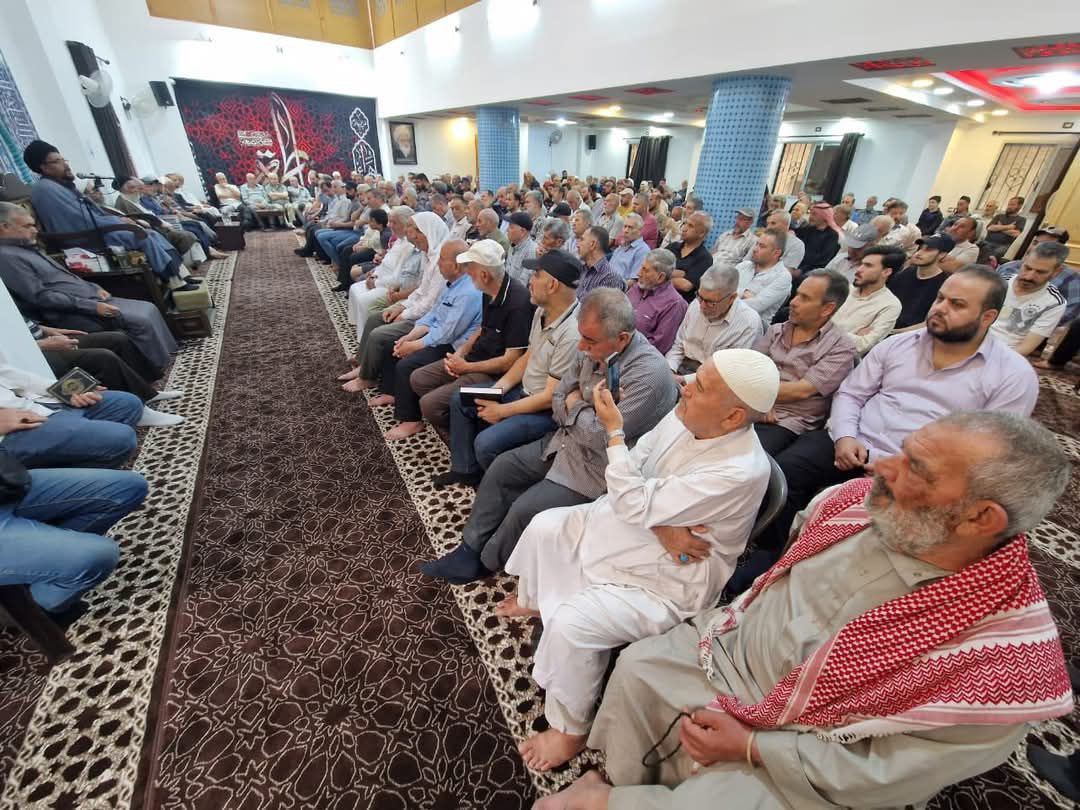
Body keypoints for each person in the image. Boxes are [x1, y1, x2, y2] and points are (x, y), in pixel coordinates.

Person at [548, 411, 1071, 810]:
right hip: (729, 652)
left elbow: (888, 772)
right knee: (638, 666)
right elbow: (781, 575)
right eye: (904, 451)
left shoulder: (1000, 665)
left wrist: (753, 747)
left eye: (917, 469)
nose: (882, 468)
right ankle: (619, 781)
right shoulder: (852, 504)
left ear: (981, 518)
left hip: (807, 744)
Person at [503, 349, 780, 772]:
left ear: (732, 417)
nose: (686, 384)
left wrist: (615, 435)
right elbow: (637, 464)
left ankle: (570, 729)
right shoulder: (688, 413)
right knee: (545, 525)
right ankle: (538, 598)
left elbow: (631, 489)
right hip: (644, 529)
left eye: (702, 385)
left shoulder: (740, 470)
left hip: (672, 574)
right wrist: (659, 521)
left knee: (573, 624)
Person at [758, 266, 1039, 565]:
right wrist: (845, 437)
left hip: (921, 470)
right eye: (940, 298)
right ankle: (770, 555)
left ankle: (822, 566)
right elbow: (852, 394)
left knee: (884, 526)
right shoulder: (898, 345)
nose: (940, 308)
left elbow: (988, 451)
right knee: (786, 470)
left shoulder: (1012, 374)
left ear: (987, 317)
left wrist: (907, 467)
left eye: (957, 304)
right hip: (854, 443)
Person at [420, 289, 680, 583]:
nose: (581, 346)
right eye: (582, 337)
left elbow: (600, 436)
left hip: (596, 469)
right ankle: (470, 546)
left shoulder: (648, 376)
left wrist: (575, 403)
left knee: (525, 509)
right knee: (502, 468)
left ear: (621, 338)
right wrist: (581, 407)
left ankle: (485, 562)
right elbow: (558, 396)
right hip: (564, 441)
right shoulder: (594, 346)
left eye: (589, 340)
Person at [439, 251, 580, 487]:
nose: (530, 281)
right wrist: (498, 390)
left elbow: (550, 397)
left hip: (545, 411)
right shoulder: (542, 311)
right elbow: (527, 356)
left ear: (553, 285)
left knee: (486, 443)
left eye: (536, 275)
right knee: (460, 400)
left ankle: (501, 487)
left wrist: (502, 411)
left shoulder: (572, 333)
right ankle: (466, 470)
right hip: (523, 391)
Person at [0, 204, 178, 373]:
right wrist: (93, 307)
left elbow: (64, 277)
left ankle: (167, 359)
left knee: (149, 308)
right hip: (70, 312)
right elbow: (40, 297)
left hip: (89, 299)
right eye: (27, 226)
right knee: (140, 320)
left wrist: (94, 287)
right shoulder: (6, 257)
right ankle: (156, 368)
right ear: (4, 227)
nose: (35, 230)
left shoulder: (25, 249)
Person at [0, 445, 147, 621]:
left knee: (127, 488)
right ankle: (32, 611)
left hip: (6, 484)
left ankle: (40, 565)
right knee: (95, 556)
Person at [404, 240, 533, 434]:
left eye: (469, 268)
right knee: (418, 379)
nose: (466, 272)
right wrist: (461, 353)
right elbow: (483, 327)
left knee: (429, 405)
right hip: (473, 358)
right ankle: (458, 415)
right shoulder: (488, 290)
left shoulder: (518, 303)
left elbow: (510, 361)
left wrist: (466, 368)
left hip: (490, 372)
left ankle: (466, 428)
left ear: (484, 275)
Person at [23, 141, 190, 291]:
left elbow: (90, 213)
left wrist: (116, 218)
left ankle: (180, 275)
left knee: (151, 232)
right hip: (84, 239)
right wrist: (118, 221)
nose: (65, 165)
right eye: (57, 161)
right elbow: (80, 220)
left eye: (63, 159)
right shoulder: (46, 190)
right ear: (43, 167)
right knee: (142, 235)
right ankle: (174, 281)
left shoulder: (59, 185)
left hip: (96, 230)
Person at [369, 240, 479, 439]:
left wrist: (414, 346)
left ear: (456, 266)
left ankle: (412, 420)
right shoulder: (451, 284)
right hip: (438, 336)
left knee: (407, 365)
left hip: (454, 346)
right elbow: (433, 314)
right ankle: (392, 393)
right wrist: (409, 337)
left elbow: (447, 333)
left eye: (442, 259)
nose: (438, 264)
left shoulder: (469, 292)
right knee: (392, 345)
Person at [0, 356, 178, 469]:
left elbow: (8, 373)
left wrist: (62, 390)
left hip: (35, 403)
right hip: (14, 427)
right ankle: (74, 485)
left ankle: (85, 465)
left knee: (127, 403)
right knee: (120, 438)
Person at [750, 269, 856, 458]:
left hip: (785, 420)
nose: (793, 301)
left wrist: (761, 398)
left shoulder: (840, 347)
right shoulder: (777, 330)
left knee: (743, 457)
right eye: (797, 294)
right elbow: (749, 367)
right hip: (750, 402)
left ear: (827, 309)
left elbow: (801, 390)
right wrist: (759, 402)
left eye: (804, 298)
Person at [346, 212, 449, 391]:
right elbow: (421, 291)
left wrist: (404, 313)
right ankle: (363, 365)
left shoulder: (441, 260)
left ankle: (367, 378)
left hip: (427, 318)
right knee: (375, 318)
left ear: (427, 232)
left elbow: (430, 303)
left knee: (378, 334)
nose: (411, 235)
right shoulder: (428, 254)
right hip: (417, 308)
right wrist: (401, 306)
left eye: (415, 230)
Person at [27, 317, 181, 406]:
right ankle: (134, 405)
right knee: (102, 356)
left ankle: (147, 390)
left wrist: (48, 330)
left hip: (43, 339)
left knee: (117, 339)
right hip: (34, 351)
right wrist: (43, 344)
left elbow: (26, 322)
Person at [667, 265, 763, 381]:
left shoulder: (748, 323)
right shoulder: (696, 304)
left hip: (712, 380)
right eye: (700, 297)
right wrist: (669, 370)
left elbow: (728, 371)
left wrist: (684, 380)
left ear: (732, 298)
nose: (702, 306)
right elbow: (679, 345)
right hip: (681, 366)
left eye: (711, 302)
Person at [989, 241, 1068, 356]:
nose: (1029, 277)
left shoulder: (1055, 303)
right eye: (1027, 268)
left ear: (1057, 272)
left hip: (1006, 353)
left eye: (1040, 272)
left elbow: (1027, 347)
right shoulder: (997, 282)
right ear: (1024, 260)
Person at [830, 245, 904, 354]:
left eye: (868, 266)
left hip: (837, 357)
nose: (859, 269)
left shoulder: (890, 305)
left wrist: (823, 327)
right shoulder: (845, 289)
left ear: (886, 272)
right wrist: (850, 336)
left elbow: (863, 345)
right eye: (861, 264)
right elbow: (810, 318)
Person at [627, 249, 688, 354]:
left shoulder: (674, 304)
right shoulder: (637, 287)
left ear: (660, 277)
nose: (638, 273)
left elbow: (658, 347)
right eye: (641, 268)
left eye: (645, 270)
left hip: (636, 357)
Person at [888, 233, 952, 331]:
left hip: (908, 335)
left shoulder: (944, 284)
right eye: (921, 248)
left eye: (928, 250)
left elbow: (930, 322)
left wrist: (896, 333)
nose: (919, 253)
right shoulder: (906, 272)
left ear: (942, 255)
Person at [735, 231, 792, 327]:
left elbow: (756, 306)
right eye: (756, 244)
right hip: (725, 318)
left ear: (776, 253)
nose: (754, 249)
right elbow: (722, 290)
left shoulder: (783, 277)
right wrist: (744, 293)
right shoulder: (743, 266)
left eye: (762, 246)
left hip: (752, 326)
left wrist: (728, 298)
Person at [667, 212, 715, 302]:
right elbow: (653, 268)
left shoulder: (705, 258)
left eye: (690, 226)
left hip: (678, 303)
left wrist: (662, 277)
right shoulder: (672, 247)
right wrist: (676, 274)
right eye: (685, 224)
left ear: (702, 233)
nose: (684, 229)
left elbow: (685, 286)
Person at [575, 226, 625, 299]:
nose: (577, 245)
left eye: (582, 240)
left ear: (592, 244)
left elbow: (604, 306)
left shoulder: (610, 278)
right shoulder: (583, 269)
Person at [794, 202, 840, 275]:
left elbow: (823, 260)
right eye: (811, 214)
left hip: (813, 272)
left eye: (814, 214)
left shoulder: (832, 235)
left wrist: (802, 270)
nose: (810, 217)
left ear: (824, 216)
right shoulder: (807, 229)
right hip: (796, 266)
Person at [608, 214, 649, 282]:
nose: (626, 230)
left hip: (617, 287)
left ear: (640, 231)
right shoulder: (622, 245)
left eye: (630, 227)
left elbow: (634, 281)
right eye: (625, 226)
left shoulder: (642, 250)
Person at [763, 210, 805, 276]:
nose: (768, 227)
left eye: (773, 223)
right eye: (768, 224)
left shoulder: (797, 245)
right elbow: (748, 260)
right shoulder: (763, 238)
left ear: (786, 225)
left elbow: (785, 273)